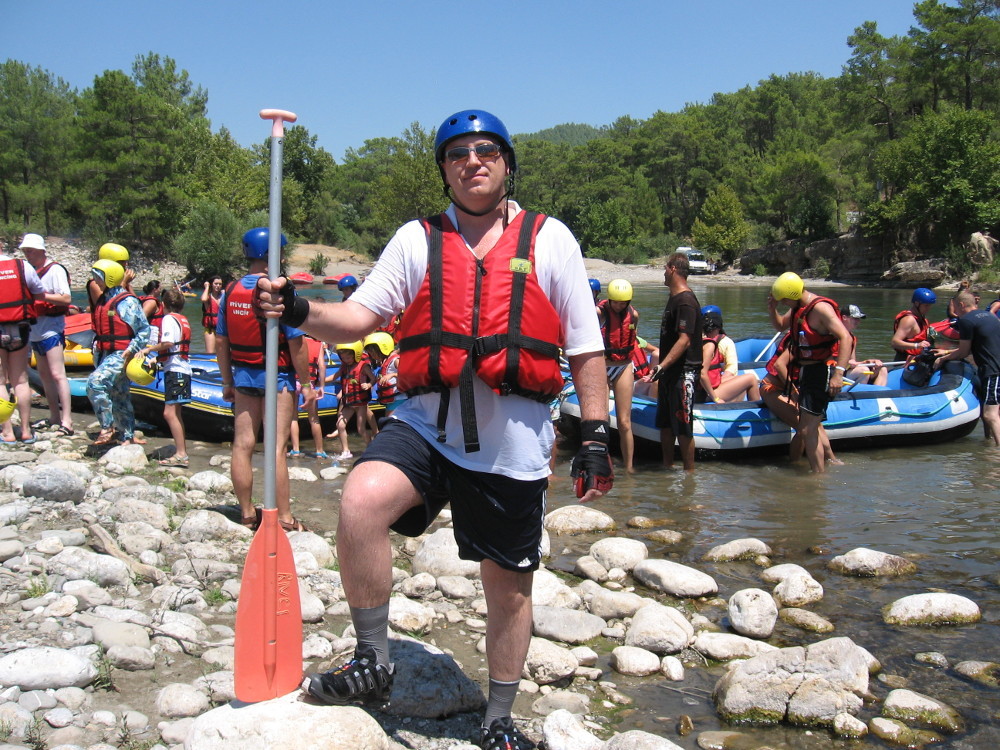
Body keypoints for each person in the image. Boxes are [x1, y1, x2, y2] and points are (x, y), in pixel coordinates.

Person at [256, 109, 611, 750]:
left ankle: (499, 718)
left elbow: (586, 349)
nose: (472, 162)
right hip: (427, 424)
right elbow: (361, 316)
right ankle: (372, 659)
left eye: (485, 151)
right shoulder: (418, 240)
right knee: (362, 500)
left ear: (506, 163)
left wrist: (594, 434)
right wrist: (301, 309)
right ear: (444, 170)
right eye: (457, 154)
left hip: (513, 448)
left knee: (507, 592)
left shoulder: (550, 238)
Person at [215, 228, 316, 532]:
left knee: (242, 444)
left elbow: (221, 341)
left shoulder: (230, 293)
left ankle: (247, 513)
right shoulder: (278, 292)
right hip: (279, 379)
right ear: (272, 255)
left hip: (244, 375)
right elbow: (297, 345)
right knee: (276, 448)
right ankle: (283, 517)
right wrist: (307, 384)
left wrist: (226, 381)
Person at [768, 272, 852, 473]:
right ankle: (818, 474)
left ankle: (818, 477)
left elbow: (846, 337)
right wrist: (772, 308)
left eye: (785, 300)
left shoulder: (821, 309)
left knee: (808, 429)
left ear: (793, 294)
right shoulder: (799, 307)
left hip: (820, 370)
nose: (786, 304)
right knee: (808, 429)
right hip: (806, 371)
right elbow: (780, 325)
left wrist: (838, 374)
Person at [641, 252, 701, 471]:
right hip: (668, 373)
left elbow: (685, 340)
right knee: (665, 424)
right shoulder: (673, 298)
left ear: (673, 269)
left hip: (684, 372)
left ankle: (689, 474)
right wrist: (662, 370)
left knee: (683, 426)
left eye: (665, 267)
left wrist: (661, 365)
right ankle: (667, 467)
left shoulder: (685, 301)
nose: (664, 272)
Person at [86, 259, 151, 446]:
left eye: (99, 277)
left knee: (94, 383)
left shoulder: (127, 302)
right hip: (105, 353)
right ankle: (127, 435)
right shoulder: (105, 298)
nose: (95, 281)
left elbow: (144, 330)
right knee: (119, 394)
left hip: (121, 354)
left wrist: (131, 349)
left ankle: (107, 427)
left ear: (110, 277)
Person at [19, 234, 74, 436]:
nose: (28, 255)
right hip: (35, 331)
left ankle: (67, 420)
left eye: (31, 251)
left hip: (52, 328)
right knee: (44, 375)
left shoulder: (55, 270)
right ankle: (54, 416)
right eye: (25, 252)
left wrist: (41, 296)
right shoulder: (31, 271)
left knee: (58, 374)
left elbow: (66, 298)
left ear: (42, 251)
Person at [934, 290, 1000, 445]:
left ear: (961, 305)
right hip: (994, 368)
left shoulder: (966, 321)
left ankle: (997, 455)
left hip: (994, 371)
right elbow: (978, 345)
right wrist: (949, 351)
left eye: (955, 308)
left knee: (990, 415)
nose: (954, 312)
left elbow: (963, 352)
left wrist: (944, 358)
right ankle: (988, 444)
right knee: (990, 413)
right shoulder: (990, 316)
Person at [0, 238, 45, 445]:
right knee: (20, 380)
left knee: (1, 382)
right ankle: (26, 430)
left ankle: (7, 432)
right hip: (20, 326)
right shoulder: (22, 266)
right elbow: (39, 292)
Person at [141, 288, 191, 466]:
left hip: (176, 370)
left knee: (169, 413)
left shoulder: (168, 319)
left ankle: (181, 454)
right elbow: (174, 347)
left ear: (163, 305)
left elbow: (168, 343)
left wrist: (149, 349)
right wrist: (157, 358)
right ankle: (181, 452)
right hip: (182, 369)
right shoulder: (182, 319)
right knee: (176, 413)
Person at [597, 279, 638, 472]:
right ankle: (601, 463)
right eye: (616, 302)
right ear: (610, 299)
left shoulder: (633, 315)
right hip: (602, 366)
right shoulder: (599, 313)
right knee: (602, 418)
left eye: (624, 303)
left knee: (624, 421)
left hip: (623, 366)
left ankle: (629, 467)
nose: (620, 306)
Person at [698, 310, 760, 403]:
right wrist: (716, 398)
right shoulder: (709, 345)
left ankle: (734, 406)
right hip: (704, 393)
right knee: (751, 378)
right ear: (717, 328)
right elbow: (702, 374)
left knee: (738, 379)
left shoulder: (697, 341)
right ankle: (757, 411)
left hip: (703, 387)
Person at [330, 340, 375, 460]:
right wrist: (320, 381)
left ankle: (371, 448)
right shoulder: (344, 367)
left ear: (357, 354)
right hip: (349, 403)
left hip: (360, 403)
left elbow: (373, 379)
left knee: (361, 429)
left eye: (349, 357)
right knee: (340, 425)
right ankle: (346, 451)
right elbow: (335, 376)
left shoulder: (363, 366)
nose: (346, 360)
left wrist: (368, 385)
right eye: (343, 358)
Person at [288, 335, 328, 459]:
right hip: (309, 383)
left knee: (293, 418)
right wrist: (321, 386)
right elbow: (321, 366)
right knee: (314, 419)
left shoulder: (295, 340)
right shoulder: (319, 344)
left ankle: (295, 449)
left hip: (294, 381)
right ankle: (319, 451)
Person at [840, 304, 888, 386]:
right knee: (864, 371)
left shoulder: (852, 338)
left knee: (882, 369)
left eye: (858, 319)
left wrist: (869, 362)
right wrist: (862, 363)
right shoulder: (834, 336)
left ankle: (877, 395)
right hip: (836, 373)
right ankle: (860, 395)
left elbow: (853, 363)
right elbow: (833, 361)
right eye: (855, 318)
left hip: (847, 371)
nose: (858, 321)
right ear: (844, 318)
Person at [891, 288, 937, 361]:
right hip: (904, 360)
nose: (928, 308)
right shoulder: (909, 320)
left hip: (918, 358)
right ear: (916, 303)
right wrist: (917, 345)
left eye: (930, 305)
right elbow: (895, 342)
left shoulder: (923, 319)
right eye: (926, 305)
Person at [363, 331, 403, 413]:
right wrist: (369, 384)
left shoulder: (395, 360)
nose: (373, 357)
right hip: (391, 400)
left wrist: (392, 375)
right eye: (371, 354)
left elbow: (406, 374)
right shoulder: (384, 362)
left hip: (399, 399)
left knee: (389, 423)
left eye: (374, 353)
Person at [86, 243, 135, 308]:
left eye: (125, 262)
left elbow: (135, 303)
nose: (125, 264)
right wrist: (124, 282)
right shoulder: (96, 283)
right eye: (121, 262)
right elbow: (107, 306)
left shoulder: (122, 282)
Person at [201, 275, 223, 354]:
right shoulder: (207, 297)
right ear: (211, 284)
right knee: (210, 352)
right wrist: (207, 287)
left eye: (220, 284)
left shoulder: (223, 296)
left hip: (222, 329)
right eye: (216, 284)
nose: (218, 286)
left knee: (222, 352)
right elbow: (203, 299)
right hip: (210, 329)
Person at [139, 279, 164, 349]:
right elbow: (141, 318)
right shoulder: (151, 302)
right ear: (154, 289)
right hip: (151, 335)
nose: (160, 291)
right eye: (160, 289)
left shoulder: (152, 301)